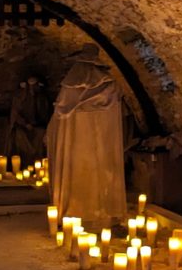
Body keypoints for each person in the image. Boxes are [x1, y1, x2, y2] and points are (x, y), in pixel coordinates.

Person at [48, 46, 128, 228]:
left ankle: (79, 211)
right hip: (102, 140)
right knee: (100, 172)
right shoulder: (111, 86)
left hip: (77, 141)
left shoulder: (70, 88)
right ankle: (102, 211)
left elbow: (61, 110)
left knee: (79, 172)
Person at [8, 74, 51, 165]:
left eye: (34, 86)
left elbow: (45, 114)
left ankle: (37, 162)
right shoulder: (20, 98)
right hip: (23, 126)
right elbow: (16, 114)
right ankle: (23, 162)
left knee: (41, 134)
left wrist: (38, 123)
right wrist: (25, 124)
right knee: (20, 135)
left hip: (37, 126)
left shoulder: (41, 98)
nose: (32, 89)